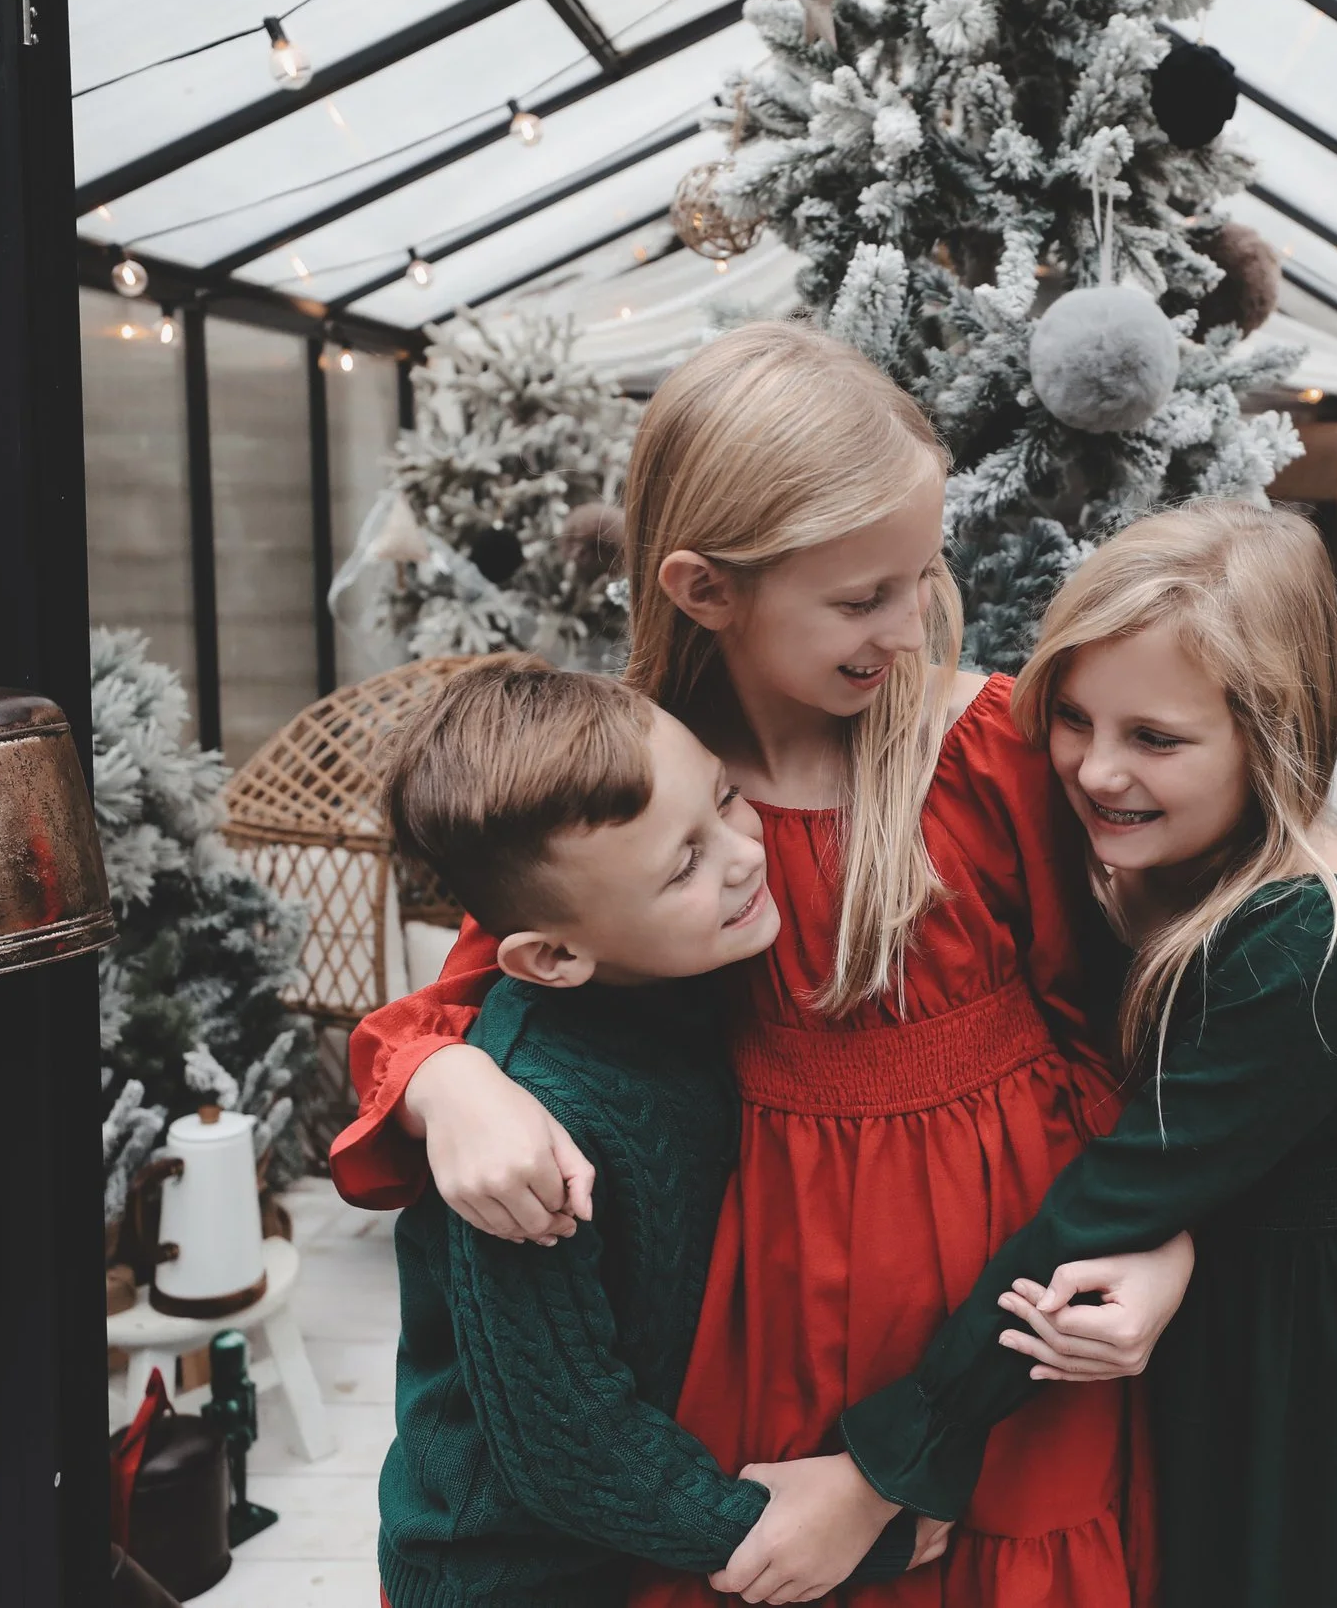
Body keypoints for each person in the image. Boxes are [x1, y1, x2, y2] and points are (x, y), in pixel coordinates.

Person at [330, 323, 1184, 1606]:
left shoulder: (986, 746)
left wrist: (1162, 1244)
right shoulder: (629, 798)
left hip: (1006, 1326)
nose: (907, 626)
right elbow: (467, 1001)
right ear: (704, 587)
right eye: (858, 598)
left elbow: (1118, 1030)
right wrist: (450, 1084)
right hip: (762, 1328)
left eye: (920, 576)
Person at [809, 503, 1337, 1608]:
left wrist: (889, 1458)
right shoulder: (1174, 857)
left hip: (1312, 1345)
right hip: (1257, 1292)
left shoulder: (1309, 939)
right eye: (1074, 718)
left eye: (1155, 738)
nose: (1095, 770)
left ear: (1272, 734)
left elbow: (1108, 1197)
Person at [370, 657, 941, 1607]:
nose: (743, 853)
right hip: (502, 1576)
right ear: (553, 955)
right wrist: (833, 1537)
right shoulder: (538, 1135)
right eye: (684, 863)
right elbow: (569, 1440)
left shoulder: (688, 976)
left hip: (623, 1551)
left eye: (725, 798)